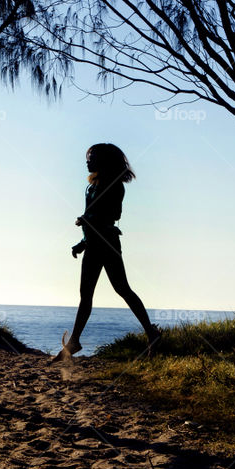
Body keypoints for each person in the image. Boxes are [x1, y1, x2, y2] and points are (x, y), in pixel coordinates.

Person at [52, 143, 162, 360]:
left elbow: (112, 214)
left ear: (104, 160)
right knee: (86, 295)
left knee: (122, 288)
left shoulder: (115, 185)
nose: (87, 161)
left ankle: (151, 333)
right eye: (88, 157)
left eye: (91, 157)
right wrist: (83, 242)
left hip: (107, 243)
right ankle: (74, 342)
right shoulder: (92, 186)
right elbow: (92, 216)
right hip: (93, 244)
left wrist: (87, 220)